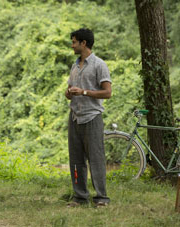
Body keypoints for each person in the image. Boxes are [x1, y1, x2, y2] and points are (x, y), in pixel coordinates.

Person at [65, 28, 111, 207]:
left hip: (92, 118)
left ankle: (101, 198)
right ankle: (80, 197)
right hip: (75, 117)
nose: (72, 45)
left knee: (96, 159)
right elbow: (69, 90)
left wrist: (84, 92)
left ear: (84, 43)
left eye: (74, 42)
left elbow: (107, 93)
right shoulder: (75, 66)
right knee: (76, 160)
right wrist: (68, 93)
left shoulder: (99, 65)